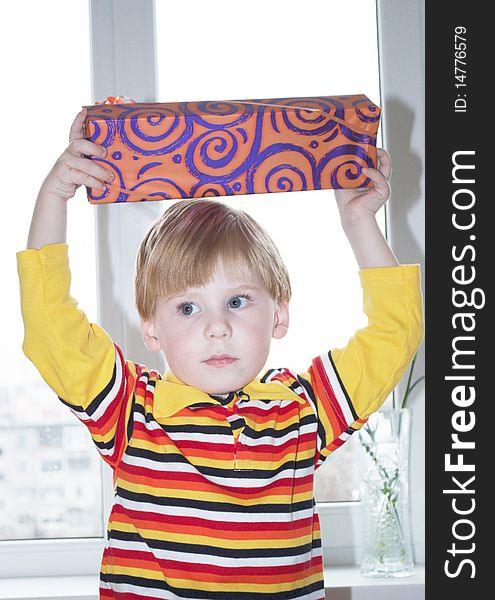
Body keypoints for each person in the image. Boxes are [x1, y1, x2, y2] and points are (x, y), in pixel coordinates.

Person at [17, 107, 424, 599]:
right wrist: (54, 196)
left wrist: (359, 222)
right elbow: (49, 326)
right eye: (187, 307)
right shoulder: (131, 411)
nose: (216, 327)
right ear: (151, 327)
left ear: (278, 315)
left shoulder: (301, 413)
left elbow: (395, 333)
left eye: (237, 301)